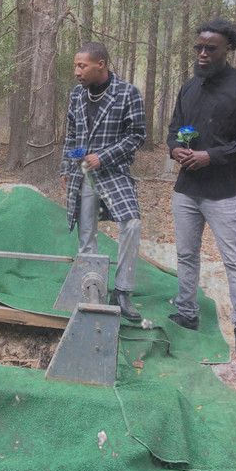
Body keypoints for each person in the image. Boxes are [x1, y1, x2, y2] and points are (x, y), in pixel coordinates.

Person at [167, 18, 236, 360]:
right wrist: (175, 150)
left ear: (228, 49)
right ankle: (186, 312)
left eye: (210, 48)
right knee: (186, 254)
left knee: (235, 262)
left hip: (226, 191)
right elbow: (173, 129)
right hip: (186, 189)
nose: (202, 53)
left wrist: (210, 156)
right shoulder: (188, 87)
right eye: (198, 47)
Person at [60, 42, 146, 321]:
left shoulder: (127, 92)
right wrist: (66, 166)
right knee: (86, 233)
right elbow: (72, 135)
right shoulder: (77, 94)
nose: (76, 71)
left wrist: (103, 157)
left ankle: (122, 291)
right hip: (83, 174)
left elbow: (136, 136)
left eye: (82, 66)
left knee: (131, 223)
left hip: (114, 173)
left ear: (101, 65)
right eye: (75, 66)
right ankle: (91, 286)